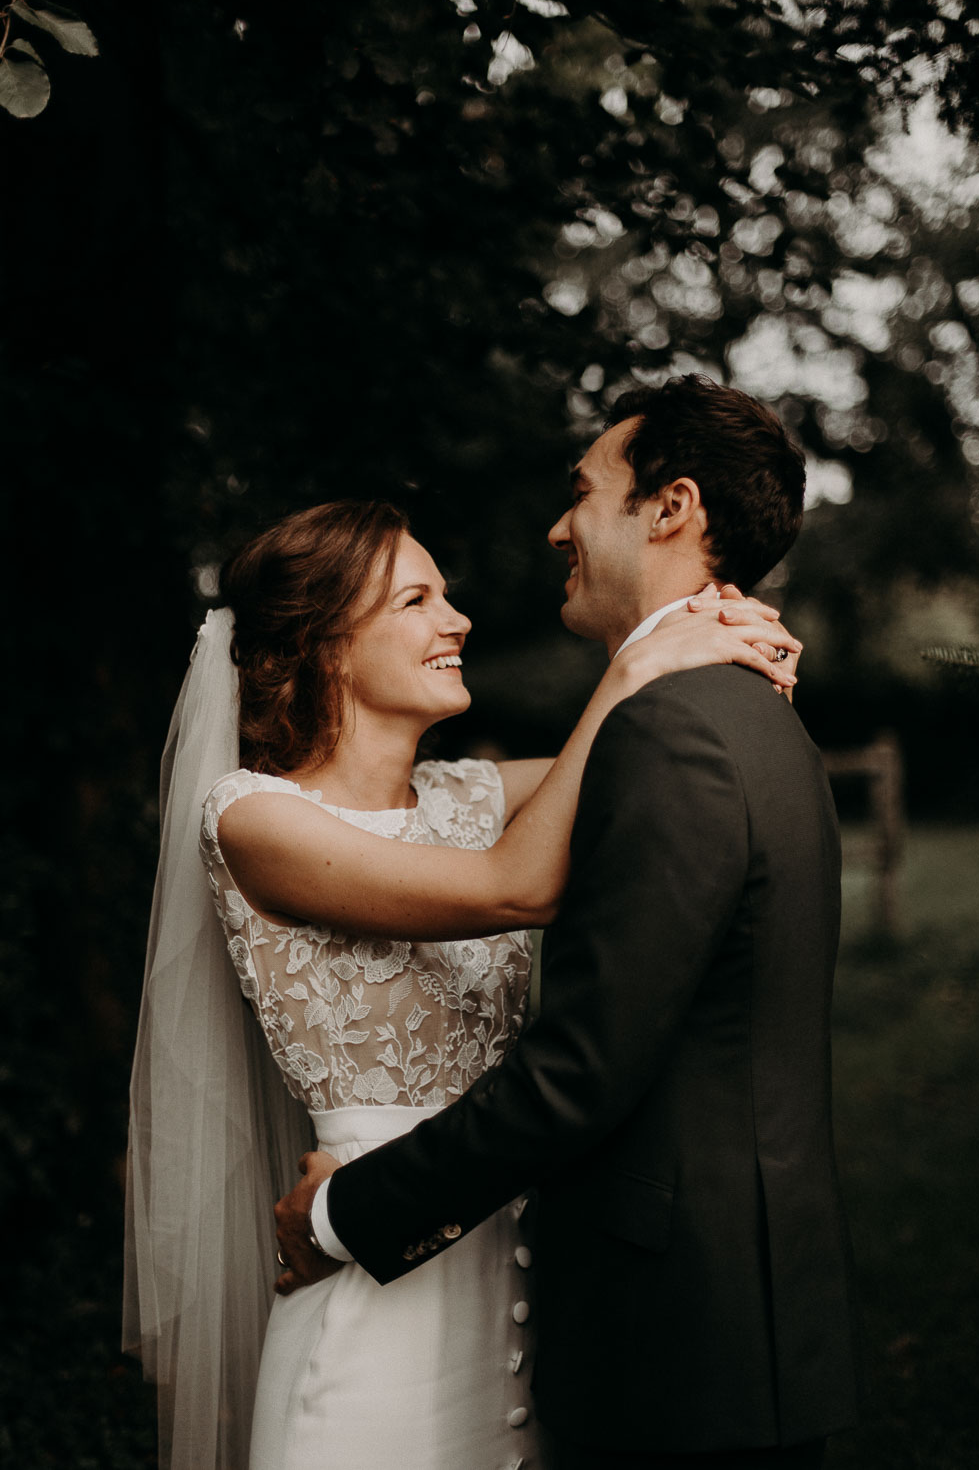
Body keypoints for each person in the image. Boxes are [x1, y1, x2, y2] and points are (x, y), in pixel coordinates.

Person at [123, 487, 797, 1470]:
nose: (459, 619)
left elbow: (646, 765)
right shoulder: (252, 821)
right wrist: (635, 664)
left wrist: (731, 649)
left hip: (522, 1281)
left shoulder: (468, 794)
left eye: (447, 595)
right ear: (324, 646)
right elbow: (512, 887)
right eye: (415, 602)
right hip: (374, 1290)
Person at [276, 375, 865, 1469]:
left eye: (584, 492)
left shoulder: (675, 730)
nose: (558, 525)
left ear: (671, 507)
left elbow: (580, 1071)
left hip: (677, 1342)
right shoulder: (752, 712)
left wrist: (343, 1214)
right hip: (742, 1326)